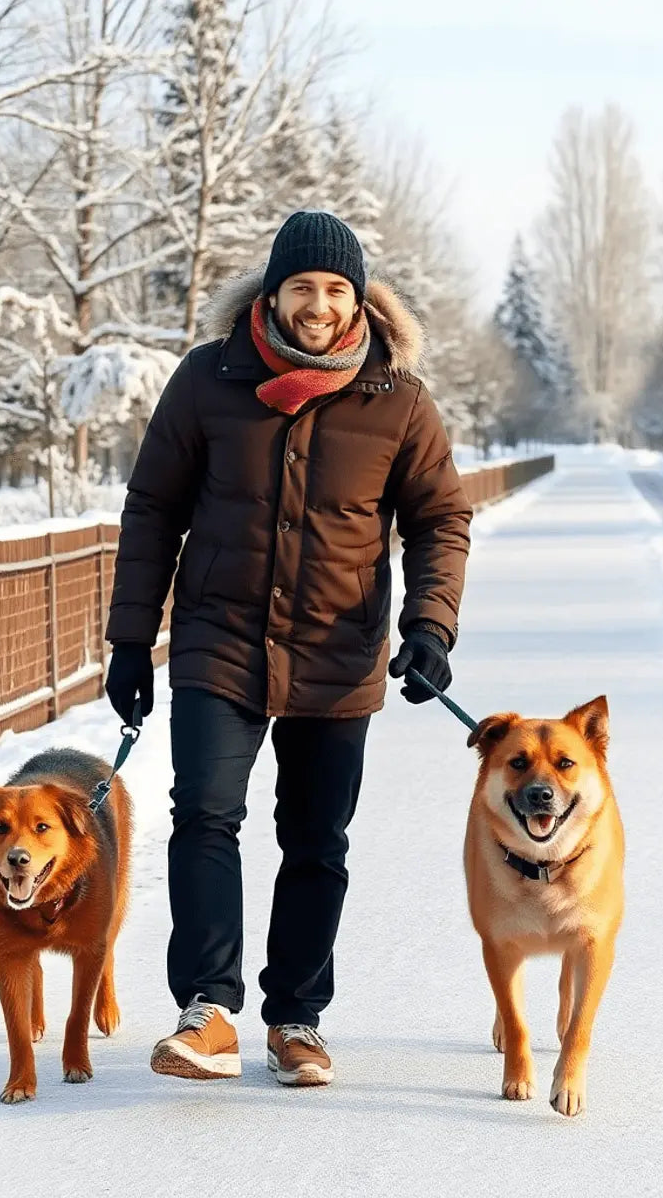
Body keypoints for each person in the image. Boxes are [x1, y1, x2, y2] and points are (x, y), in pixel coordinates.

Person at [104, 209, 472, 1087]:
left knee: (315, 839)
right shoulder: (208, 380)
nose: (316, 303)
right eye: (301, 286)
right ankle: (208, 1011)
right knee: (205, 814)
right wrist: (129, 639)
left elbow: (439, 519)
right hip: (217, 639)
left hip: (337, 649)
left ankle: (297, 1019)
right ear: (273, 293)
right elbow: (152, 508)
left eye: (334, 288)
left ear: (359, 300)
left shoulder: (398, 399)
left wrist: (430, 625)